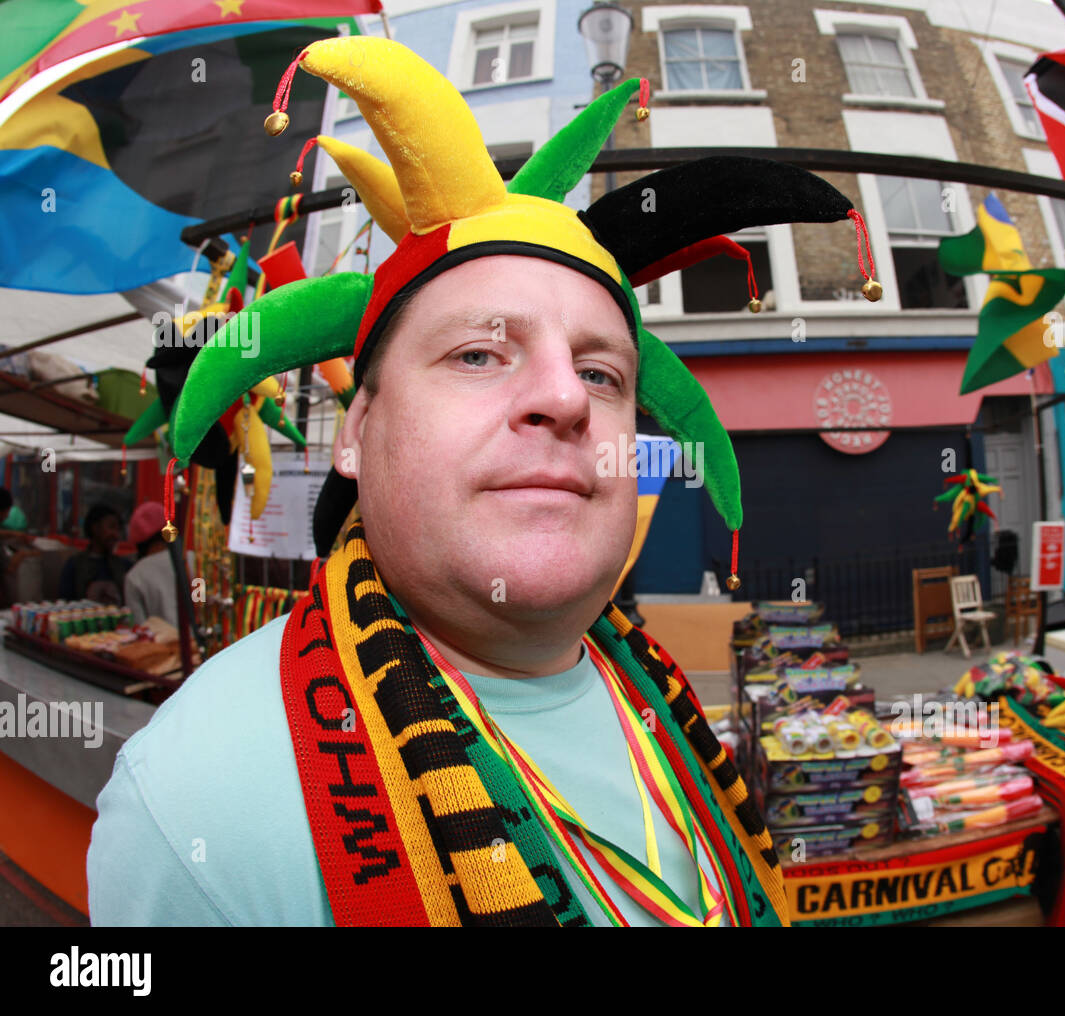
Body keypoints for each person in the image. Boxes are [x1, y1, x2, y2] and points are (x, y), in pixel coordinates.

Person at [87, 37, 875, 927]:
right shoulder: (197, 810)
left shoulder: (667, 704)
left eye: (602, 374)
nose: (562, 397)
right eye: (477, 353)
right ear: (356, 431)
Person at [123, 501, 194, 628]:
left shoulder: (135, 576)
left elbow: (140, 628)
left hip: (162, 646)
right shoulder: (193, 560)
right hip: (200, 644)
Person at [58, 503, 129, 605]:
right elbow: (65, 606)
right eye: (111, 527)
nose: (116, 535)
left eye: (118, 529)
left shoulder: (125, 566)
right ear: (95, 528)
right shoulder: (74, 566)